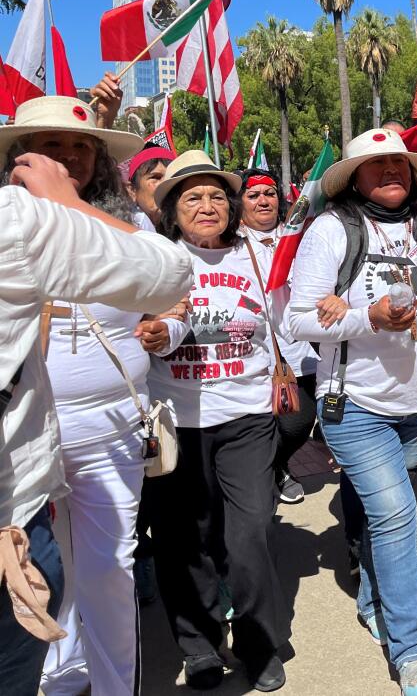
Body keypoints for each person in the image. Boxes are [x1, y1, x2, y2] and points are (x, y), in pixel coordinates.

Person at [0, 152, 192, 696]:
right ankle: (62, 676)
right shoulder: (13, 222)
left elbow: (172, 287)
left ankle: (114, 686)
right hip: (26, 446)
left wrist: (165, 325)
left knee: (108, 571)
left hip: (110, 430)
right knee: (44, 568)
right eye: (50, 145)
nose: (69, 158)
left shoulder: (124, 227)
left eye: (82, 145)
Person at [287, 128, 417, 696]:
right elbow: (300, 321)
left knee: (376, 505)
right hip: (355, 405)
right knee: (396, 515)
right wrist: (367, 316)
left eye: (399, 163)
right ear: (353, 177)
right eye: (376, 164)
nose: (390, 171)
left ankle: (370, 597)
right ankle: (412, 649)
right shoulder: (333, 230)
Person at [141, 151, 288, 692]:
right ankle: (199, 645)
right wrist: (158, 334)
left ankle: (258, 641)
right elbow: (161, 325)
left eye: (216, 196)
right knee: (184, 539)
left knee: (248, 535)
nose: (207, 206)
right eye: (192, 197)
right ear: (172, 213)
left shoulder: (257, 257)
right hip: (174, 423)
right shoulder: (155, 260)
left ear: (232, 207)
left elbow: (288, 317)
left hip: (246, 416)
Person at [239, 167, 319, 505]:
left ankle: (276, 465)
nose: (263, 201)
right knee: (262, 424)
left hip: (300, 348)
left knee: (299, 423)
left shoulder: (299, 236)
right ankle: (260, 474)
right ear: (240, 202)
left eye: (269, 193)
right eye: (253, 195)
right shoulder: (233, 244)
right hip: (255, 349)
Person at [126, 146, 175, 231]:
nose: (165, 184)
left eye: (171, 177)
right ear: (132, 191)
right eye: (156, 177)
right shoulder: (123, 234)